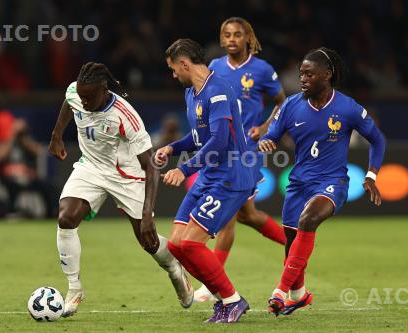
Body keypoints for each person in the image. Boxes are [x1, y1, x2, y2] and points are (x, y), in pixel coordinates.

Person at [48, 62, 193, 317]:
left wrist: (148, 214)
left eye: (89, 97)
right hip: (91, 168)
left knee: (148, 241)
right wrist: (56, 136)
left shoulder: (125, 115)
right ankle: (74, 289)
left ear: (104, 90)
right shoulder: (76, 93)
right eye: (81, 96)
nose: (83, 101)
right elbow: (68, 103)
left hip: (127, 176)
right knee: (66, 218)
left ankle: (173, 267)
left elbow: (150, 167)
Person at [258, 47, 386, 316]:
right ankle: (299, 295)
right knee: (292, 244)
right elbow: (271, 134)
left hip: (332, 182)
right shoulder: (291, 105)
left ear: (326, 75)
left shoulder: (347, 107)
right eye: (301, 74)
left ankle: (279, 293)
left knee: (308, 220)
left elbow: (377, 139)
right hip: (299, 184)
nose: (302, 79)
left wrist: (372, 174)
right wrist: (267, 140)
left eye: (308, 74)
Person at [155, 39, 253, 323]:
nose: (174, 75)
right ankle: (224, 300)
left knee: (191, 245)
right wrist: (173, 148)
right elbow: (199, 138)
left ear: (185, 64)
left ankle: (232, 300)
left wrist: (184, 170)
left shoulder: (219, 89)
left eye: (174, 69)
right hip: (210, 174)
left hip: (230, 175)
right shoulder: (191, 92)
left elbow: (221, 141)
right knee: (176, 245)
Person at [194, 17, 287, 302]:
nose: (232, 39)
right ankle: (294, 242)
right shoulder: (214, 69)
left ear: (248, 38)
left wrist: (266, 127)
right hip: (221, 149)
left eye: (237, 34)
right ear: (221, 40)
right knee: (247, 214)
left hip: (245, 151)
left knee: (228, 217)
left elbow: (282, 102)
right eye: (227, 35)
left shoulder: (262, 70)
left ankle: (212, 284)